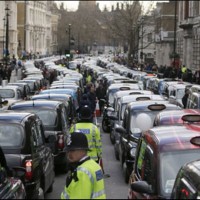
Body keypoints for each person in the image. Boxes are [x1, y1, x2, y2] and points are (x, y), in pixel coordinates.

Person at [60, 132, 106, 199]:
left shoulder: (81, 172)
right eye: (68, 150)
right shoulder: (95, 166)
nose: (68, 154)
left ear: (83, 150)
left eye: (72, 150)